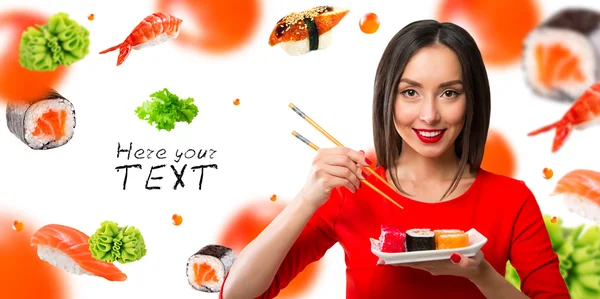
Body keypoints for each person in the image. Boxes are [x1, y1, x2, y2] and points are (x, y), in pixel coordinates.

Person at [220, 20, 570, 299]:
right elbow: (238, 294)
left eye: (449, 93)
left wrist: (483, 276)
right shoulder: (353, 188)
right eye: (410, 92)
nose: (429, 115)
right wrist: (307, 198)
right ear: (388, 98)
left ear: (472, 99)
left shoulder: (511, 199)